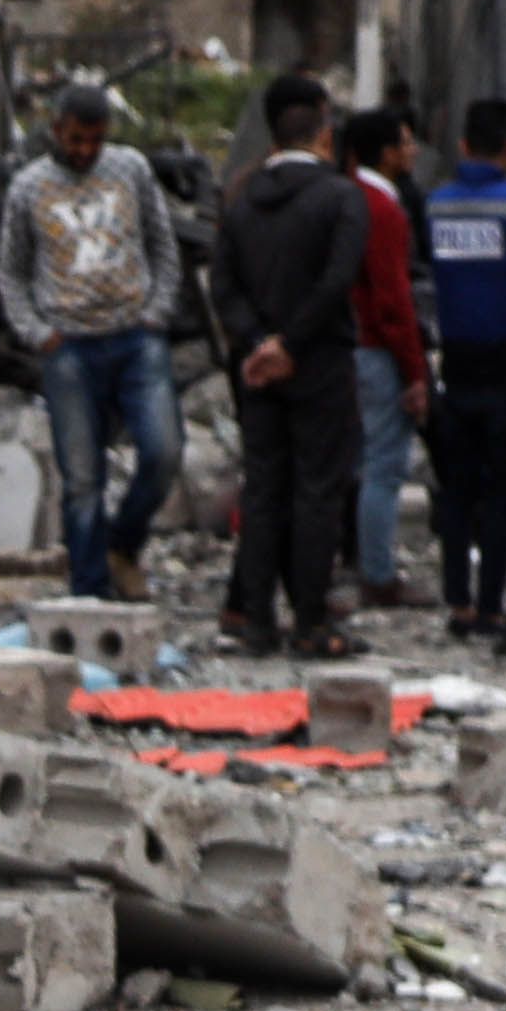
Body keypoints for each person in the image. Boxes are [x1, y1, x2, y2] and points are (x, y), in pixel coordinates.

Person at [0, 78, 184, 605]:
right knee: (81, 480)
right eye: (76, 139)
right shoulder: (29, 186)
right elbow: (11, 271)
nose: (85, 150)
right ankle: (89, 594)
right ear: (56, 129)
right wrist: (38, 333)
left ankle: (123, 546)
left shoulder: (131, 170)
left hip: (135, 336)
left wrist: (157, 310)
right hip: (69, 346)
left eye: (95, 140)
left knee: (163, 452)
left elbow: (162, 243)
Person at [213, 71, 373, 658]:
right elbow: (337, 280)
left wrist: (260, 342)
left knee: (263, 489)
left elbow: (223, 285)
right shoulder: (341, 197)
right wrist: (293, 344)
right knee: (318, 491)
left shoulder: (240, 198)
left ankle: (257, 620)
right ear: (324, 136)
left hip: (255, 368)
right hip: (319, 361)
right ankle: (311, 619)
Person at [413, 98, 506, 645]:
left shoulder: (435, 206)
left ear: (463, 145)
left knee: (457, 490)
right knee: (502, 493)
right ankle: (492, 606)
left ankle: (459, 600)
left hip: (458, 368)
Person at [334, 101, 429, 612]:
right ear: (388, 153)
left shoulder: (343, 197)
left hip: (343, 345)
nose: (412, 151)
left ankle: (344, 558)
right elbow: (393, 298)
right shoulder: (383, 209)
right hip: (375, 347)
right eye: (406, 143)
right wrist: (414, 370)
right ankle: (377, 572)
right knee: (384, 466)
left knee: (348, 460)